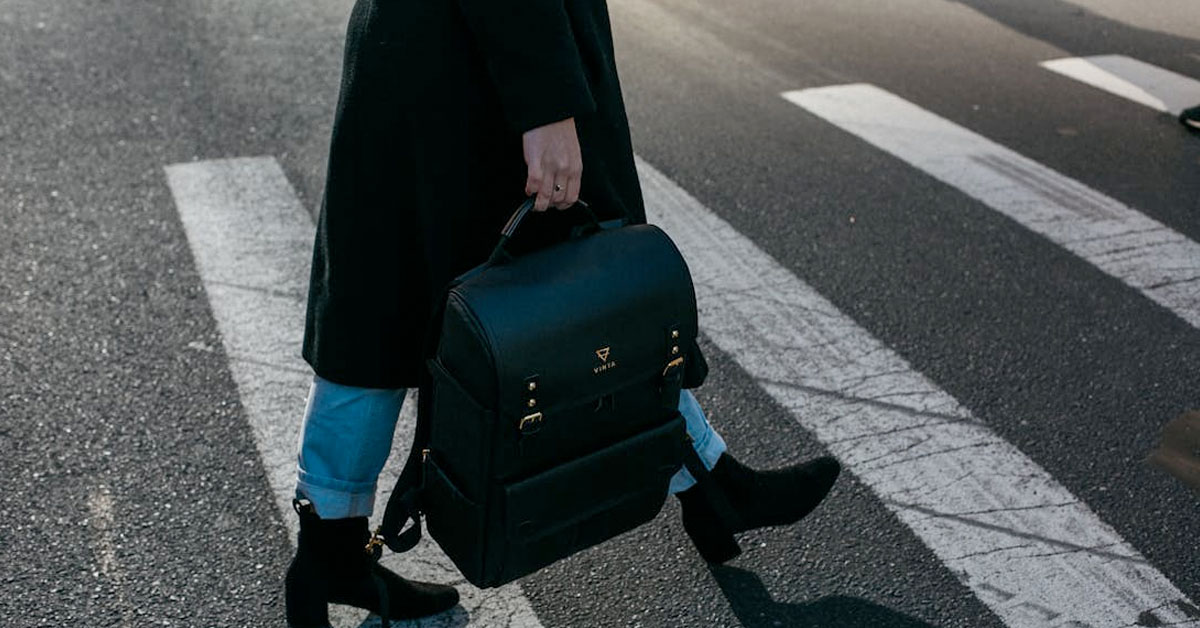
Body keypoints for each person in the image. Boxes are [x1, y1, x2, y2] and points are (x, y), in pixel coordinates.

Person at [284, 0, 842, 625]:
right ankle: (712, 484)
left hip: (429, 48)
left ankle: (329, 547)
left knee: (383, 311)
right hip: (478, 64)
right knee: (587, 291)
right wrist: (545, 102)